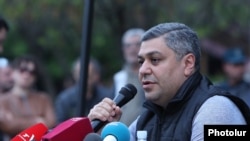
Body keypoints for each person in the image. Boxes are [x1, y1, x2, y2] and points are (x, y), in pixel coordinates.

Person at [88, 22, 250, 141]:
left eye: (155, 59)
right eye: (141, 61)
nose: (143, 70)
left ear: (187, 64)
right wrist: (104, 133)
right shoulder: (147, 118)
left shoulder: (217, 111)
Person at [0, 55, 56, 139]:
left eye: (32, 72)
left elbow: (52, 123)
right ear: (13, 72)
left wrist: (16, 121)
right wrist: (37, 121)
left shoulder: (43, 98)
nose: (27, 75)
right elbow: (7, 125)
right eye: (22, 70)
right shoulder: (3, 100)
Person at [55, 57, 113, 124]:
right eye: (80, 74)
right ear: (74, 75)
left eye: (89, 76)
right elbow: (60, 126)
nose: (84, 79)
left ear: (96, 76)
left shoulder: (106, 95)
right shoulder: (64, 100)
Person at [112, 28, 146, 126]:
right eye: (128, 45)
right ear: (123, 49)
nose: (132, 49)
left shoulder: (151, 74)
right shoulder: (118, 77)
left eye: (137, 44)